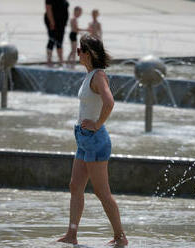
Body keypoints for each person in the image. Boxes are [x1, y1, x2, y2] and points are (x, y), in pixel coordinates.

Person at [57, 34, 128, 247]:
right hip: (84, 139)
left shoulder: (98, 76)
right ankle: (72, 235)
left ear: (88, 53)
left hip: (95, 140)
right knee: (75, 186)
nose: (77, 53)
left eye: (79, 50)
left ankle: (120, 237)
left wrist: (97, 124)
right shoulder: (90, 75)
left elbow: (110, 102)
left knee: (102, 192)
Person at [44, 0, 69, 67]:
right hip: (53, 22)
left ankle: (60, 60)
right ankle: (49, 60)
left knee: (60, 41)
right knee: (52, 40)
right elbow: (48, 8)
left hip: (61, 23)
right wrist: (52, 22)